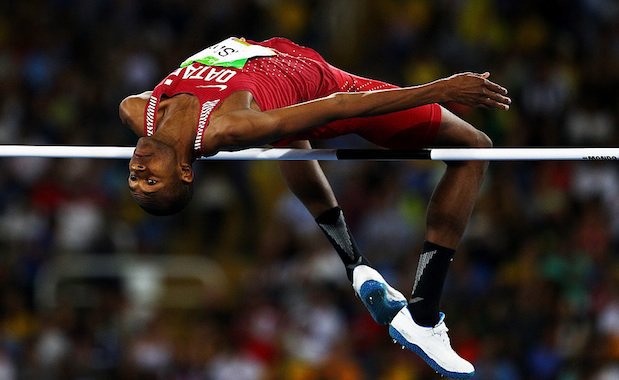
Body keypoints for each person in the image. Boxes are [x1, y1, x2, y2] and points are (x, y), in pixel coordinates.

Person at [119, 37, 511, 379]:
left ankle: (356, 265)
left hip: (280, 60)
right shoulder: (229, 129)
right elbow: (340, 106)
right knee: (474, 146)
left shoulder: (136, 110)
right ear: (186, 172)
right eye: (150, 180)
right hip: (323, 87)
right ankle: (423, 314)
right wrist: (440, 89)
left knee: (281, 133)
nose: (137, 172)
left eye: (136, 180)